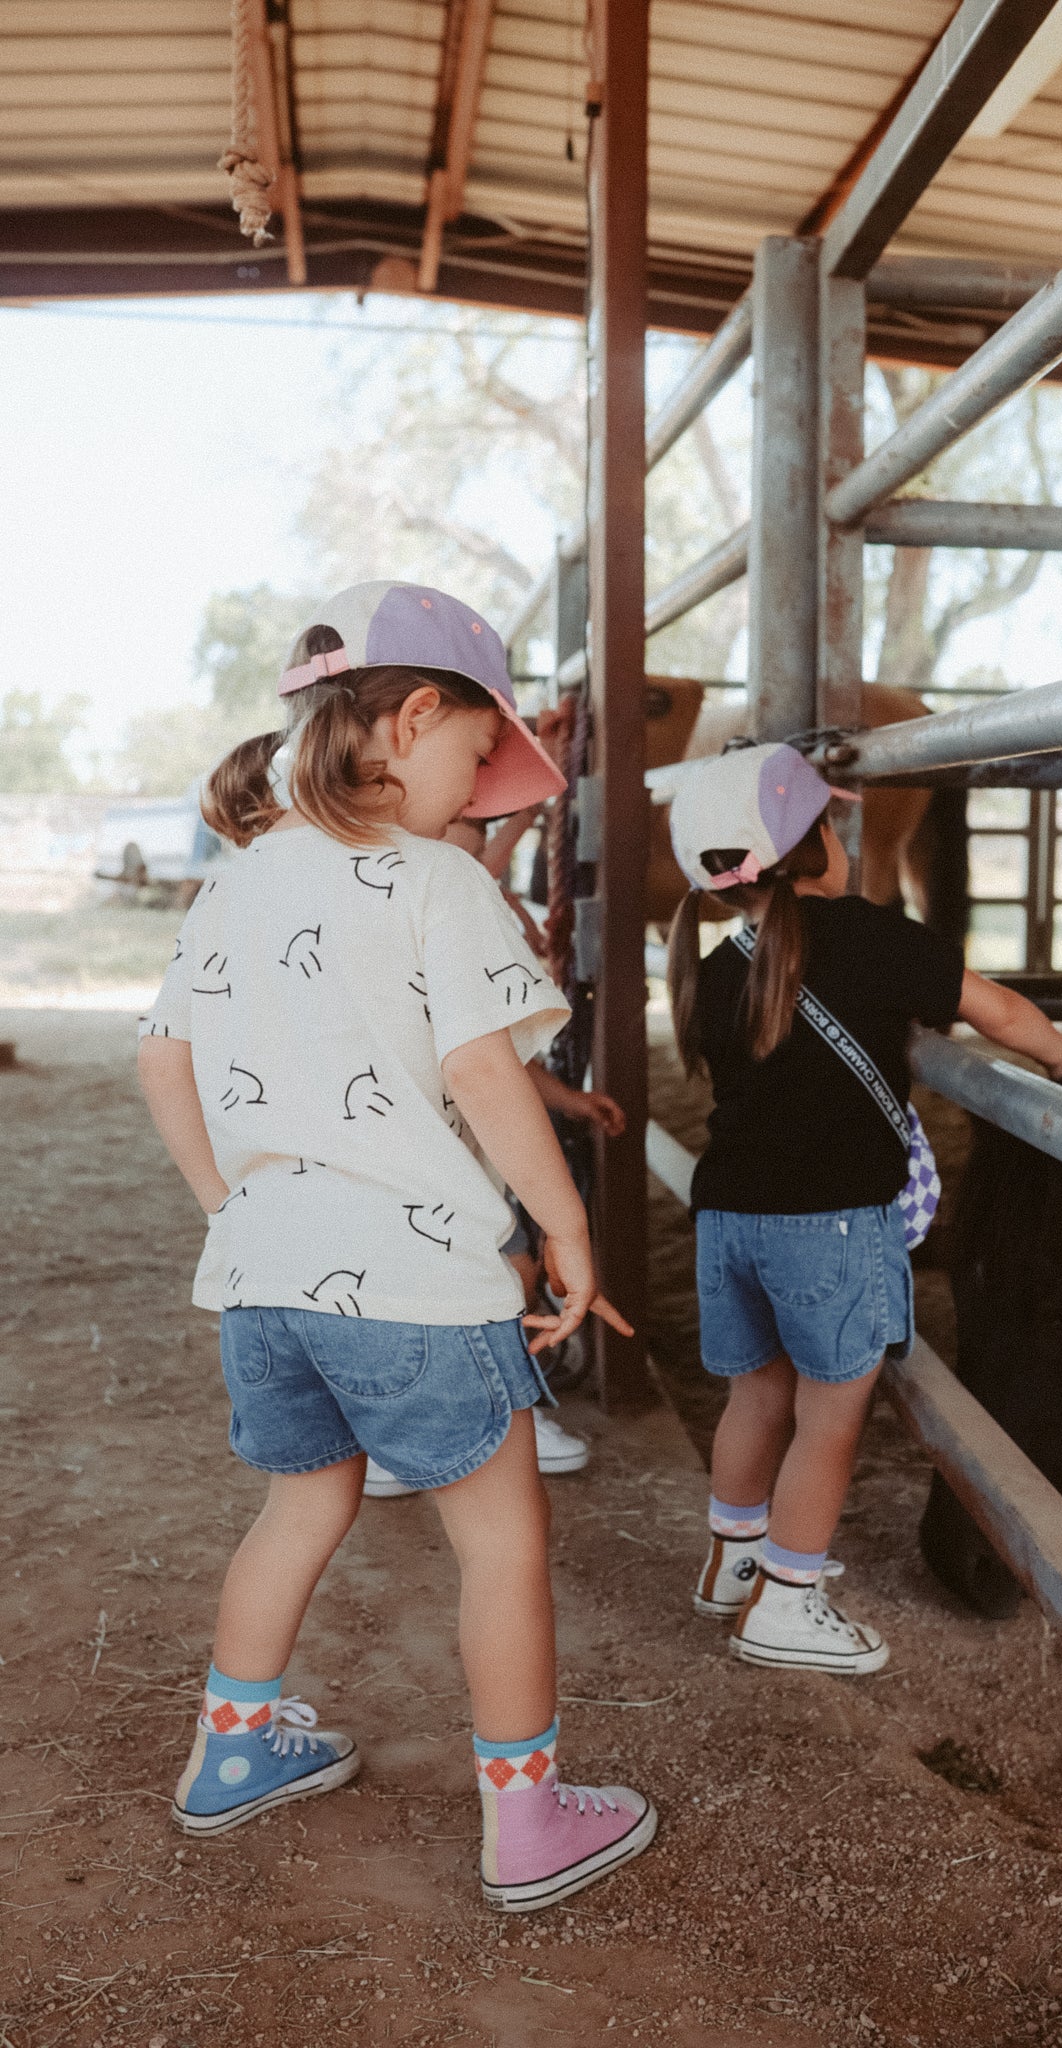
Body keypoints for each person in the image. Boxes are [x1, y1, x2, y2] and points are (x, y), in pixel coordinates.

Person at [137, 580, 656, 1910]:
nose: (478, 792)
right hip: (417, 1283)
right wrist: (570, 1224)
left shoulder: (236, 885)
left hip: (263, 1277)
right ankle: (528, 1822)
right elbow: (484, 1077)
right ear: (415, 717)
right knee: (499, 1538)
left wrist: (232, 1209)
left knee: (301, 1501)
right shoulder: (435, 884)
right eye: (478, 757)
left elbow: (163, 1067)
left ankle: (232, 1755)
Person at [666, 742, 1062, 1676]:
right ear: (813, 849)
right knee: (830, 1416)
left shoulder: (715, 966)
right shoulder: (872, 937)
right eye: (831, 822)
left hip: (727, 1219)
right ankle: (789, 1600)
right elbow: (997, 1012)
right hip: (830, 1226)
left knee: (756, 1393)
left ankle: (731, 1570)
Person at [361, 809, 623, 1495]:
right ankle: (510, 1414)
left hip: (422, 1162)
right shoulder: (439, 895)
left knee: (458, 1278)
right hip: (457, 1166)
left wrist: (568, 1101)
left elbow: (492, 1049)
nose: (486, 864)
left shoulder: (375, 903)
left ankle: (397, 1443)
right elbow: (485, 1060)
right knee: (508, 1270)